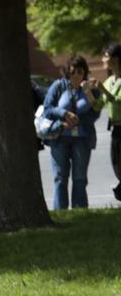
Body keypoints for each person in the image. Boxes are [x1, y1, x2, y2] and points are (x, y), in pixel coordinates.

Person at [41, 54, 103, 210]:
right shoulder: (58, 86)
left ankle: (80, 212)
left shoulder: (91, 89)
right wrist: (64, 115)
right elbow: (47, 109)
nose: (76, 75)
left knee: (80, 178)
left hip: (82, 139)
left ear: (85, 72)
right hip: (59, 137)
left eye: (80, 72)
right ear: (67, 72)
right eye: (73, 71)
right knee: (60, 178)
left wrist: (90, 94)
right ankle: (60, 212)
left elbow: (95, 113)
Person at [97, 43, 121, 201]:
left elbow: (117, 101)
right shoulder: (109, 81)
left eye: (106, 55)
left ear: (116, 58)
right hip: (116, 130)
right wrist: (89, 93)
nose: (103, 59)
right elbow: (98, 105)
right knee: (116, 165)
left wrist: (104, 90)